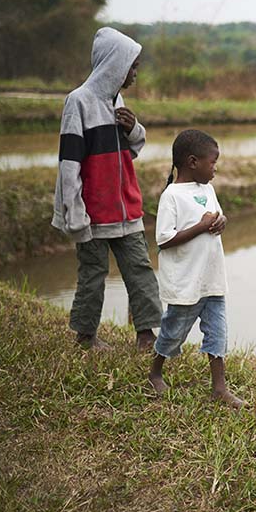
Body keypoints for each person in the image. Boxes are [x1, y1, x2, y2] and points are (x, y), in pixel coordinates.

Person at [52, 27, 161, 351]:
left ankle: (146, 334)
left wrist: (133, 127)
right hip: (93, 212)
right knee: (93, 274)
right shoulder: (79, 102)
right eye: (133, 66)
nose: (135, 73)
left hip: (126, 207)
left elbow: (133, 149)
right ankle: (86, 335)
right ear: (115, 64)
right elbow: (69, 163)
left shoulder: (119, 102)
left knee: (140, 270)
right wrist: (75, 211)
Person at [148, 129, 245, 409]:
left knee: (217, 333)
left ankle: (219, 388)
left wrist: (220, 221)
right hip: (185, 282)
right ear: (192, 162)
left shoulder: (208, 190)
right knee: (173, 332)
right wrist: (201, 226)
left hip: (211, 278)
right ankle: (155, 371)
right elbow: (164, 240)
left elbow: (215, 215)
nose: (215, 169)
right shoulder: (172, 196)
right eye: (212, 163)